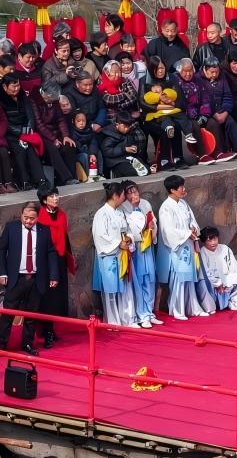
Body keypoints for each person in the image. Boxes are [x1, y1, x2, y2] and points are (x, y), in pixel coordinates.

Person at [0, 202, 59, 355]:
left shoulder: (44, 231)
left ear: (38, 217)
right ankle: (1, 345)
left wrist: (53, 275)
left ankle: (27, 344)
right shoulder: (11, 228)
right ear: (21, 215)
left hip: (36, 279)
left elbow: (51, 253)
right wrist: (2, 273)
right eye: (25, 217)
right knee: (8, 313)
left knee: (31, 314)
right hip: (16, 278)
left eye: (32, 218)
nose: (28, 221)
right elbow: (1, 250)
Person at [157, 175, 213, 320]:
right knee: (179, 279)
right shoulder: (166, 208)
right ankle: (177, 309)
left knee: (190, 277)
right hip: (177, 248)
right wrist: (187, 233)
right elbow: (168, 231)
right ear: (172, 190)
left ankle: (193, 307)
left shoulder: (183, 204)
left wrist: (193, 229)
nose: (184, 189)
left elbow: (192, 220)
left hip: (188, 243)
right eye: (181, 187)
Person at [92, 182, 138, 327]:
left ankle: (128, 318)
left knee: (125, 287)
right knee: (111, 290)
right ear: (115, 196)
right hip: (109, 256)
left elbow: (127, 230)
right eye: (123, 194)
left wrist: (129, 238)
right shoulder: (101, 214)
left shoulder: (120, 212)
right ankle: (113, 321)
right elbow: (100, 236)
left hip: (122, 254)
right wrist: (118, 243)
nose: (124, 197)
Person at [36, 186, 75, 348]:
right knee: (47, 297)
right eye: (52, 196)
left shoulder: (62, 215)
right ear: (44, 200)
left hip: (59, 259)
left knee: (58, 296)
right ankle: (47, 331)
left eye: (56, 195)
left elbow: (65, 237)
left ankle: (51, 328)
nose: (56, 198)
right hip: (45, 261)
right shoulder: (40, 217)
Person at [120, 181, 161, 328]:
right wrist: (141, 230)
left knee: (150, 279)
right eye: (130, 192)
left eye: (135, 191)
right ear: (125, 195)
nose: (134, 195)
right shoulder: (123, 208)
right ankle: (141, 314)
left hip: (147, 245)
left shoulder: (145, 204)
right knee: (138, 281)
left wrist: (152, 227)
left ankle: (149, 312)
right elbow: (127, 229)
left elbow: (153, 221)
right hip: (136, 248)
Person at [0, 75, 46, 190]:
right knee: (19, 149)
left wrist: (28, 129)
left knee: (31, 148)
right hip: (10, 134)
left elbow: (30, 116)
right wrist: (20, 134)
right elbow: (4, 122)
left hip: (25, 132)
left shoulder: (22, 96)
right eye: (13, 86)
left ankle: (41, 180)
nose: (17, 89)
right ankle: (24, 181)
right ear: (5, 87)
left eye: (18, 85)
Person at [197, 226, 237, 311]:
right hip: (212, 288)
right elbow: (205, 274)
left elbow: (235, 267)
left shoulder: (225, 249)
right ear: (204, 242)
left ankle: (233, 302)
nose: (213, 243)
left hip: (227, 285)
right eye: (209, 240)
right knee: (202, 283)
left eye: (215, 239)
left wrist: (226, 283)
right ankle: (210, 308)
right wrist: (218, 284)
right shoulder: (202, 252)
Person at [101, 111, 149, 178]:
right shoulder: (109, 135)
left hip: (129, 158)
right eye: (124, 126)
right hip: (116, 162)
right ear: (117, 124)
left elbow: (133, 143)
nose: (126, 129)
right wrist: (124, 149)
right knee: (133, 171)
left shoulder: (129, 133)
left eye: (128, 127)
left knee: (146, 169)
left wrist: (135, 148)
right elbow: (107, 151)